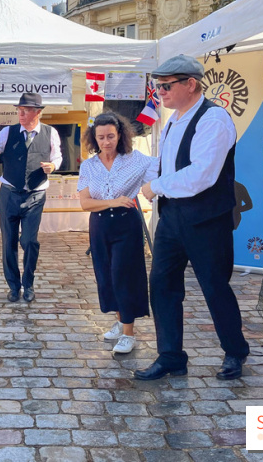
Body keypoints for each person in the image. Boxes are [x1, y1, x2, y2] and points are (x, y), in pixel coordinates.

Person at [137, 54, 250, 381]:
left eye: (166, 86)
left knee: (215, 287)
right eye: (158, 86)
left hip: (205, 219)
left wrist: (155, 186)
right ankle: (171, 355)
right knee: (161, 285)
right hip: (173, 218)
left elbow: (202, 174)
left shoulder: (214, 119)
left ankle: (235, 350)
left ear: (191, 83)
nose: (161, 92)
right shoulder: (173, 119)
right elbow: (167, 164)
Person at [78, 113, 156, 355]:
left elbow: (162, 170)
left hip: (126, 225)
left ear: (121, 134)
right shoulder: (89, 165)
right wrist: (112, 201)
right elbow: (85, 203)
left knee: (125, 275)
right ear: (94, 138)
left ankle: (129, 333)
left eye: (110, 136)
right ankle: (120, 320)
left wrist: (151, 190)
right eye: (100, 137)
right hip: (100, 226)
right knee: (107, 276)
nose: (106, 142)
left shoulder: (137, 160)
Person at [0, 92, 62, 303]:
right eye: (19, 110)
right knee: (8, 242)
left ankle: (29, 283)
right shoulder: (8, 132)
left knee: (29, 241)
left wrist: (53, 166)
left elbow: (58, 157)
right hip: (9, 193)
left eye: (25, 111)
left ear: (38, 112)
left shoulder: (50, 132)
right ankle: (14, 286)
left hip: (35, 194)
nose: (21, 115)